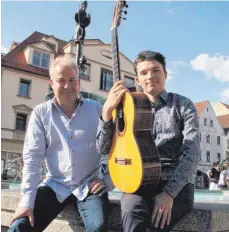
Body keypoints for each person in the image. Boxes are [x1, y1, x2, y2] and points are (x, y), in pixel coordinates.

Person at [96, 50, 200, 232]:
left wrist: (169, 193)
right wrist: (106, 112)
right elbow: (102, 148)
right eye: (143, 73)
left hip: (175, 182)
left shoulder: (183, 105)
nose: (150, 76)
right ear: (137, 80)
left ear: (165, 74)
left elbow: (192, 153)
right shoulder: (125, 107)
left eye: (155, 70)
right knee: (131, 214)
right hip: (138, 181)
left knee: (155, 226)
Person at [8, 56, 113, 232]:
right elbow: (32, 159)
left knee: (99, 227)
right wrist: (26, 202)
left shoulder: (97, 110)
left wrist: (108, 180)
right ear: (51, 82)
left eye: (72, 80)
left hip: (88, 186)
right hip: (55, 185)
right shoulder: (41, 113)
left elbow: (114, 148)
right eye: (61, 80)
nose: (67, 86)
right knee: (20, 226)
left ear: (79, 81)